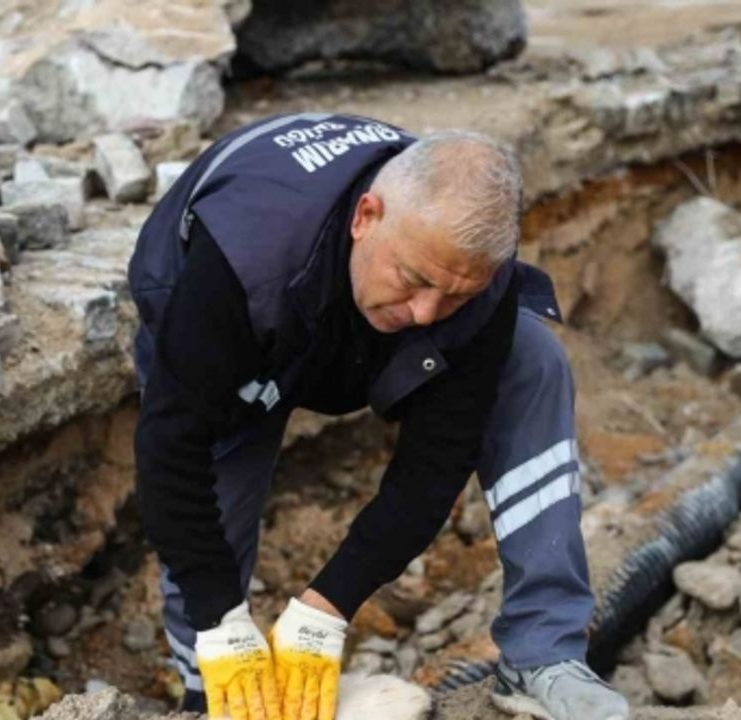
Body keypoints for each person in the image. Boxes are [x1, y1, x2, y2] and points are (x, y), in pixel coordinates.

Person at [127, 112, 629, 720]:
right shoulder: (241, 261)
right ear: (368, 216)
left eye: (455, 295)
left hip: (343, 317)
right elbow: (169, 451)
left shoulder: (467, 268)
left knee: (532, 359)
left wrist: (326, 607)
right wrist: (220, 620)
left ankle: (542, 653)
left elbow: (433, 467)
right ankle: (212, 695)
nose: (425, 313)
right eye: (413, 280)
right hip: (251, 321)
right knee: (215, 506)